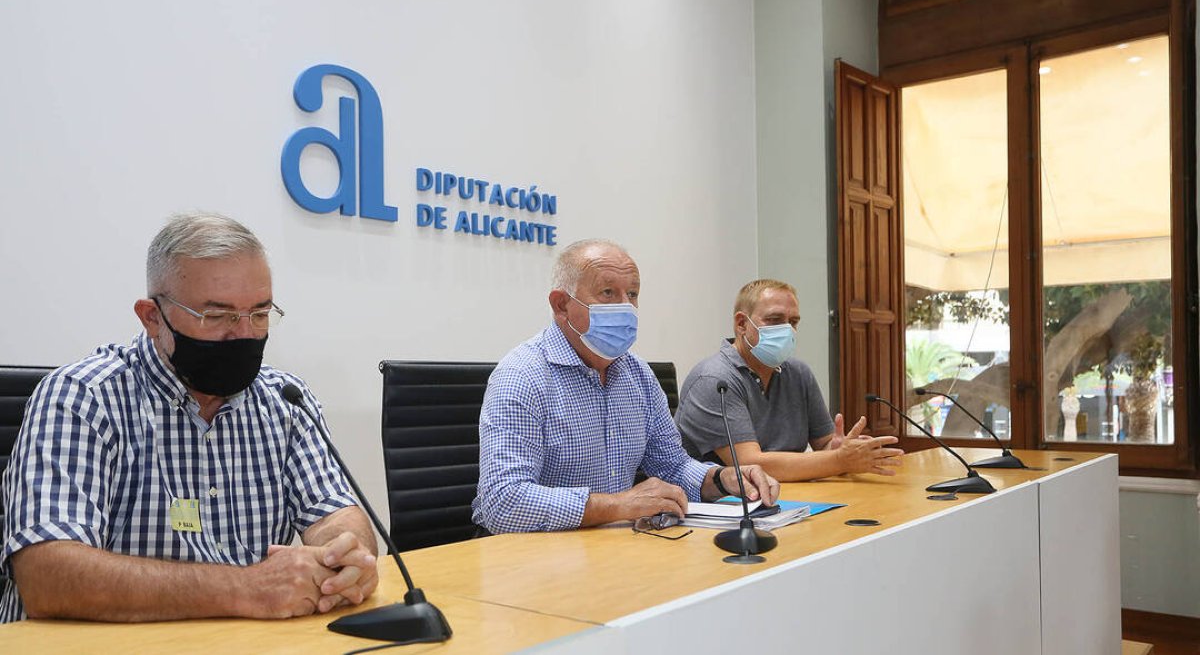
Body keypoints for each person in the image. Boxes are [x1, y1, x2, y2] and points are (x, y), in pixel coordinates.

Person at [0, 213, 378, 623]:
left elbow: (338, 513)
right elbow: (48, 576)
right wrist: (247, 589)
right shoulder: (83, 398)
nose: (243, 334)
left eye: (260, 313)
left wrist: (345, 555)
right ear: (151, 317)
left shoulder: (285, 401)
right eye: (217, 317)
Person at [472, 240, 779, 534]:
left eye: (632, 294)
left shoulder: (637, 374)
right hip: (531, 560)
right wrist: (619, 505)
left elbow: (672, 466)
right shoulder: (521, 376)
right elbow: (504, 502)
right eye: (608, 292)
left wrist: (723, 478)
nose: (626, 307)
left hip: (610, 547)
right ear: (561, 304)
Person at [675, 279, 904, 481]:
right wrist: (838, 460)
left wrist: (837, 448)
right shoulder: (715, 379)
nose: (787, 330)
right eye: (775, 320)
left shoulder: (798, 373)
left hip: (790, 498)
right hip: (719, 508)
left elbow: (823, 445)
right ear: (742, 324)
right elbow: (750, 464)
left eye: (793, 322)